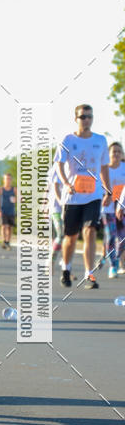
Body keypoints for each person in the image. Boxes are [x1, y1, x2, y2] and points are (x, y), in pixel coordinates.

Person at [56, 104, 110, 289]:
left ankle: (89, 274)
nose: (86, 119)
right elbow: (59, 164)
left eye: (89, 116)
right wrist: (66, 183)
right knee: (71, 237)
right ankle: (66, 268)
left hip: (93, 195)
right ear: (76, 119)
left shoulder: (101, 140)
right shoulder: (68, 140)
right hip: (72, 196)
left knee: (90, 231)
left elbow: (103, 168)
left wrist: (108, 190)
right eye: (83, 117)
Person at [101, 142, 125, 279]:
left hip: (122, 208)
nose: (116, 153)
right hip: (108, 208)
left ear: (122, 154)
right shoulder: (104, 169)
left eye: (118, 151)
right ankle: (113, 266)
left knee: (122, 239)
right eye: (113, 151)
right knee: (111, 236)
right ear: (108, 154)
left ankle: (115, 260)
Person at [48, 163, 64, 273]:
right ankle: (51, 261)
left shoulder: (75, 165)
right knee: (61, 234)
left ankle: (66, 267)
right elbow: (49, 189)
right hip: (57, 207)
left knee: (69, 237)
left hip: (71, 205)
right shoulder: (55, 168)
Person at [0, 173, 16, 249]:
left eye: (9, 179)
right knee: (4, 226)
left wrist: (16, 199)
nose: (8, 180)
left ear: (11, 180)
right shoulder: (1, 189)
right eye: (6, 179)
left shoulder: (14, 189)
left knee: (10, 227)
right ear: (4, 180)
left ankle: (8, 242)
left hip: (11, 210)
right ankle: (4, 241)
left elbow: (21, 198)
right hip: (3, 210)